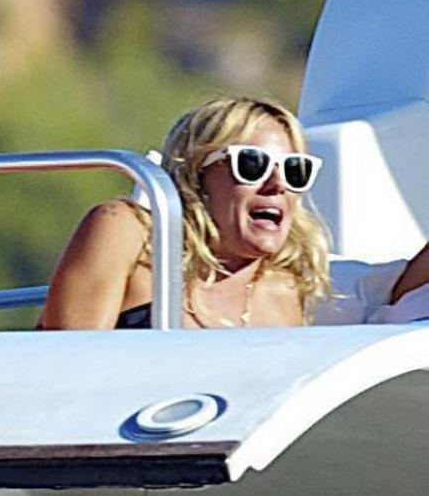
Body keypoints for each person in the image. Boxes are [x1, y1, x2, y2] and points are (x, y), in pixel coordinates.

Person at [41, 97, 331, 329]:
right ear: (197, 174)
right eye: (252, 164)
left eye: (295, 170)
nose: (278, 184)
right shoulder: (127, 233)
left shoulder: (284, 292)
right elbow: (66, 366)